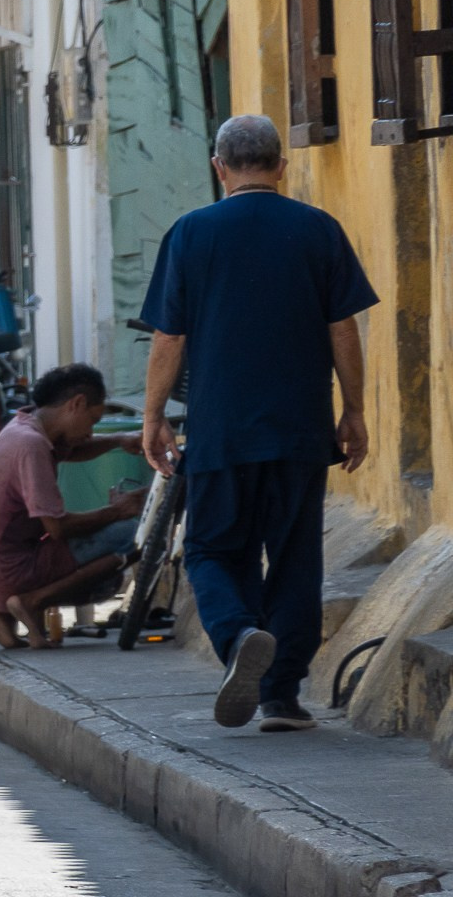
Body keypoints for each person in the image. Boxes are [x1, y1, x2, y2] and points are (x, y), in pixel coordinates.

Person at [141, 114, 377, 733]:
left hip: (221, 431)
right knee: (295, 557)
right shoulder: (317, 230)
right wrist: (353, 410)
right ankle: (282, 698)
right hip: (300, 430)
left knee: (214, 550)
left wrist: (153, 416)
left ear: (219, 168)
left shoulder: (190, 233)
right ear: (280, 165)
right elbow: (342, 329)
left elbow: (169, 337)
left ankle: (239, 633)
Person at [0, 364, 146, 649]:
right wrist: (118, 511)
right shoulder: (32, 446)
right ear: (77, 404)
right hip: (12, 571)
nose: (90, 432)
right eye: (92, 420)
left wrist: (120, 440)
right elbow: (57, 529)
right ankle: (32, 601)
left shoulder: (24, 425)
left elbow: (74, 448)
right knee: (132, 536)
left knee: (116, 533)